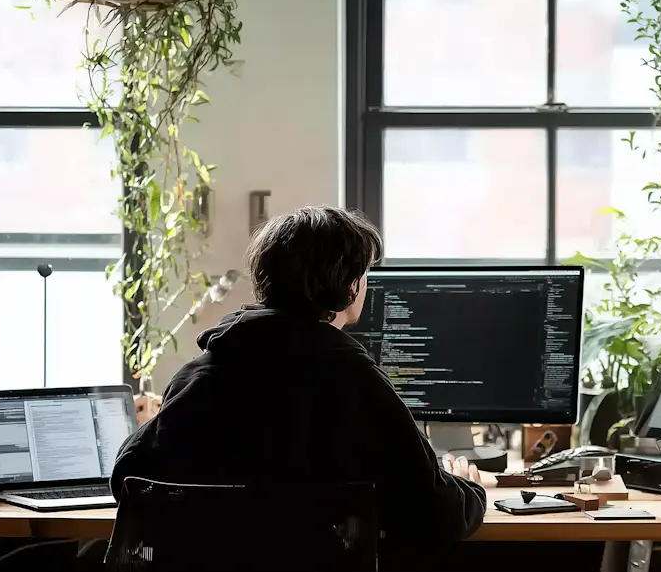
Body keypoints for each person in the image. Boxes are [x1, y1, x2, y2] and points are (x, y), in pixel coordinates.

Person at [111, 205, 487, 568]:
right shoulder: (354, 379)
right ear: (351, 286)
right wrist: (467, 488)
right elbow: (436, 514)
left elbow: (130, 478)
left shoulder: (202, 372)